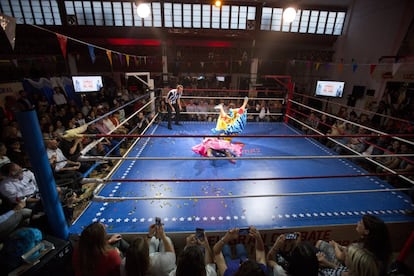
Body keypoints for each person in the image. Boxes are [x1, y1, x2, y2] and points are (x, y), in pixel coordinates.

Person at [316, 214, 392, 276]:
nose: (358, 223)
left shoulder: (360, 250)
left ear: (366, 231)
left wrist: (335, 246)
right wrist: (341, 247)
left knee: (320, 246)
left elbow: (341, 258)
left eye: (361, 223)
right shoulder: (380, 251)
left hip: (343, 268)